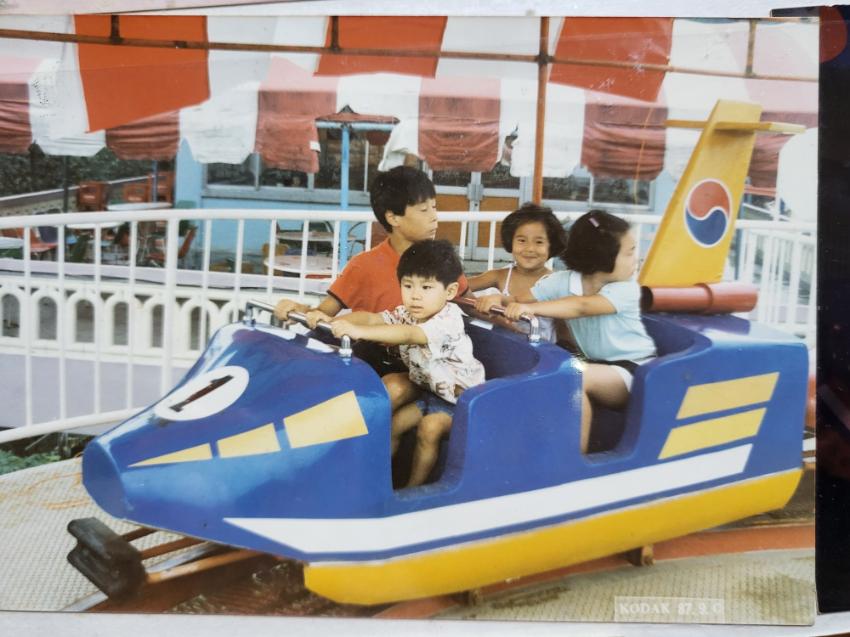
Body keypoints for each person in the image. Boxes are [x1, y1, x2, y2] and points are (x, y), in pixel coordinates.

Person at [273, 166, 468, 393]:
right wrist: (299, 309)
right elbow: (324, 314)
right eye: (424, 210)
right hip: (370, 360)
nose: (434, 217)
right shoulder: (363, 265)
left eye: (434, 207)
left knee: (392, 386)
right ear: (393, 217)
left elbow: (468, 301)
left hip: (423, 367)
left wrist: (495, 296)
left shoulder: (440, 264)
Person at [331, 239, 485, 488]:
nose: (415, 296)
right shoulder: (407, 313)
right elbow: (373, 319)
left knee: (429, 428)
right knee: (396, 424)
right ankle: (377, 482)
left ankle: (414, 490)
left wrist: (358, 331)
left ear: (449, 292)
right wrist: (334, 320)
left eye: (426, 287)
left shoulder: (447, 320)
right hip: (430, 393)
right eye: (408, 285)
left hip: (462, 402)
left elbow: (409, 334)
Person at [502, 210, 656, 453]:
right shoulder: (562, 281)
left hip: (635, 370)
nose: (635, 259)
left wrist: (530, 308)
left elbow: (581, 307)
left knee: (573, 377)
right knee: (549, 376)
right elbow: (519, 299)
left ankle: (572, 459)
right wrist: (497, 301)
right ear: (602, 256)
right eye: (629, 253)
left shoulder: (626, 289)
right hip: (593, 364)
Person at [468, 202, 567, 342]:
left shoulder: (555, 282)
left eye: (539, 242)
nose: (530, 248)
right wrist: (482, 303)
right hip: (505, 347)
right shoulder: (499, 275)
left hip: (541, 350)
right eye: (522, 240)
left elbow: (563, 330)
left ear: (551, 245)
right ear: (511, 241)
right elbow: (459, 284)